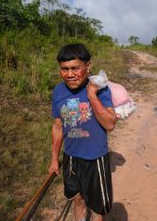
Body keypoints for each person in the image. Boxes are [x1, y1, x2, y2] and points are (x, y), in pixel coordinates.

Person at [48, 43, 117, 221]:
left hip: (95, 159)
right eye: (64, 69)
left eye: (75, 68)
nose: (69, 74)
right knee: (77, 200)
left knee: (97, 209)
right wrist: (54, 158)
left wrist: (92, 95)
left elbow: (110, 124)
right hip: (71, 158)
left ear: (88, 66)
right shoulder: (58, 91)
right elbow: (57, 126)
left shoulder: (101, 89)